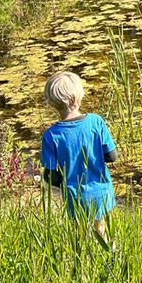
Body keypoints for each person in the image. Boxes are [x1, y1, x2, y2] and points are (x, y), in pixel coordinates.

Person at [40, 71, 117, 240]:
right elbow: (112, 156)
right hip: (101, 192)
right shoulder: (96, 121)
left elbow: (50, 176)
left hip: (74, 196)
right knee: (100, 228)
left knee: (79, 234)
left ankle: (83, 254)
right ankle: (109, 251)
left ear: (51, 103)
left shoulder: (51, 135)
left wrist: (66, 181)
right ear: (80, 96)